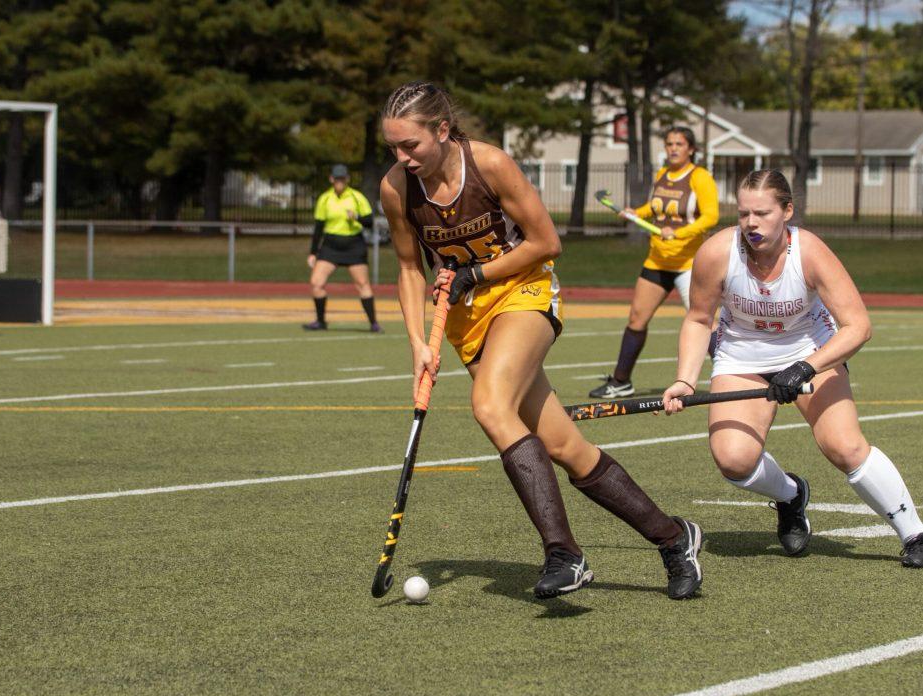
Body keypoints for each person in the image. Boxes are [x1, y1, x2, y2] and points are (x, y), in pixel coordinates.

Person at [379, 81, 704, 599]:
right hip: (468, 315)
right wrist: (420, 342)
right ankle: (674, 538)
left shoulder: (489, 165)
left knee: (489, 404)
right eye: (393, 147)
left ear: (441, 130)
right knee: (563, 446)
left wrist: (478, 273)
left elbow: (546, 241)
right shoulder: (397, 187)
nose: (402, 157)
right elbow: (407, 267)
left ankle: (564, 553)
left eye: (410, 145)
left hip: (523, 290)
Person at [661, 169, 923, 568]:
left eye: (763, 213)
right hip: (742, 356)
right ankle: (791, 495)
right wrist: (684, 380)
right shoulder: (716, 252)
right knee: (734, 460)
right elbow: (698, 319)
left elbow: (858, 327)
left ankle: (915, 533)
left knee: (843, 446)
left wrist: (805, 367)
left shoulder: (809, 252)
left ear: (787, 211)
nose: (751, 223)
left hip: (810, 349)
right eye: (743, 214)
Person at [589, 127, 718, 398]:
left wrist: (679, 233)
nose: (673, 148)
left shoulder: (700, 177)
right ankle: (621, 381)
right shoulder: (662, 175)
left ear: (691, 149)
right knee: (637, 318)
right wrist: (635, 212)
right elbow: (655, 207)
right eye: (669, 143)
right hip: (657, 261)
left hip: (689, 264)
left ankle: (733, 377)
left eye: (679, 144)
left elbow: (711, 217)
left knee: (704, 320)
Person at [304, 164, 381, 332]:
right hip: (330, 246)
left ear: (347, 179)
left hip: (354, 245)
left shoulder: (357, 197)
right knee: (316, 283)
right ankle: (320, 321)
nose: (339, 181)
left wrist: (357, 217)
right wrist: (312, 252)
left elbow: (369, 222)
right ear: (331, 179)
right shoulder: (325, 198)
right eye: (336, 178)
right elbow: (318, 227)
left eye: (342, 178)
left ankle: (373, 323)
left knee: (362, 284)